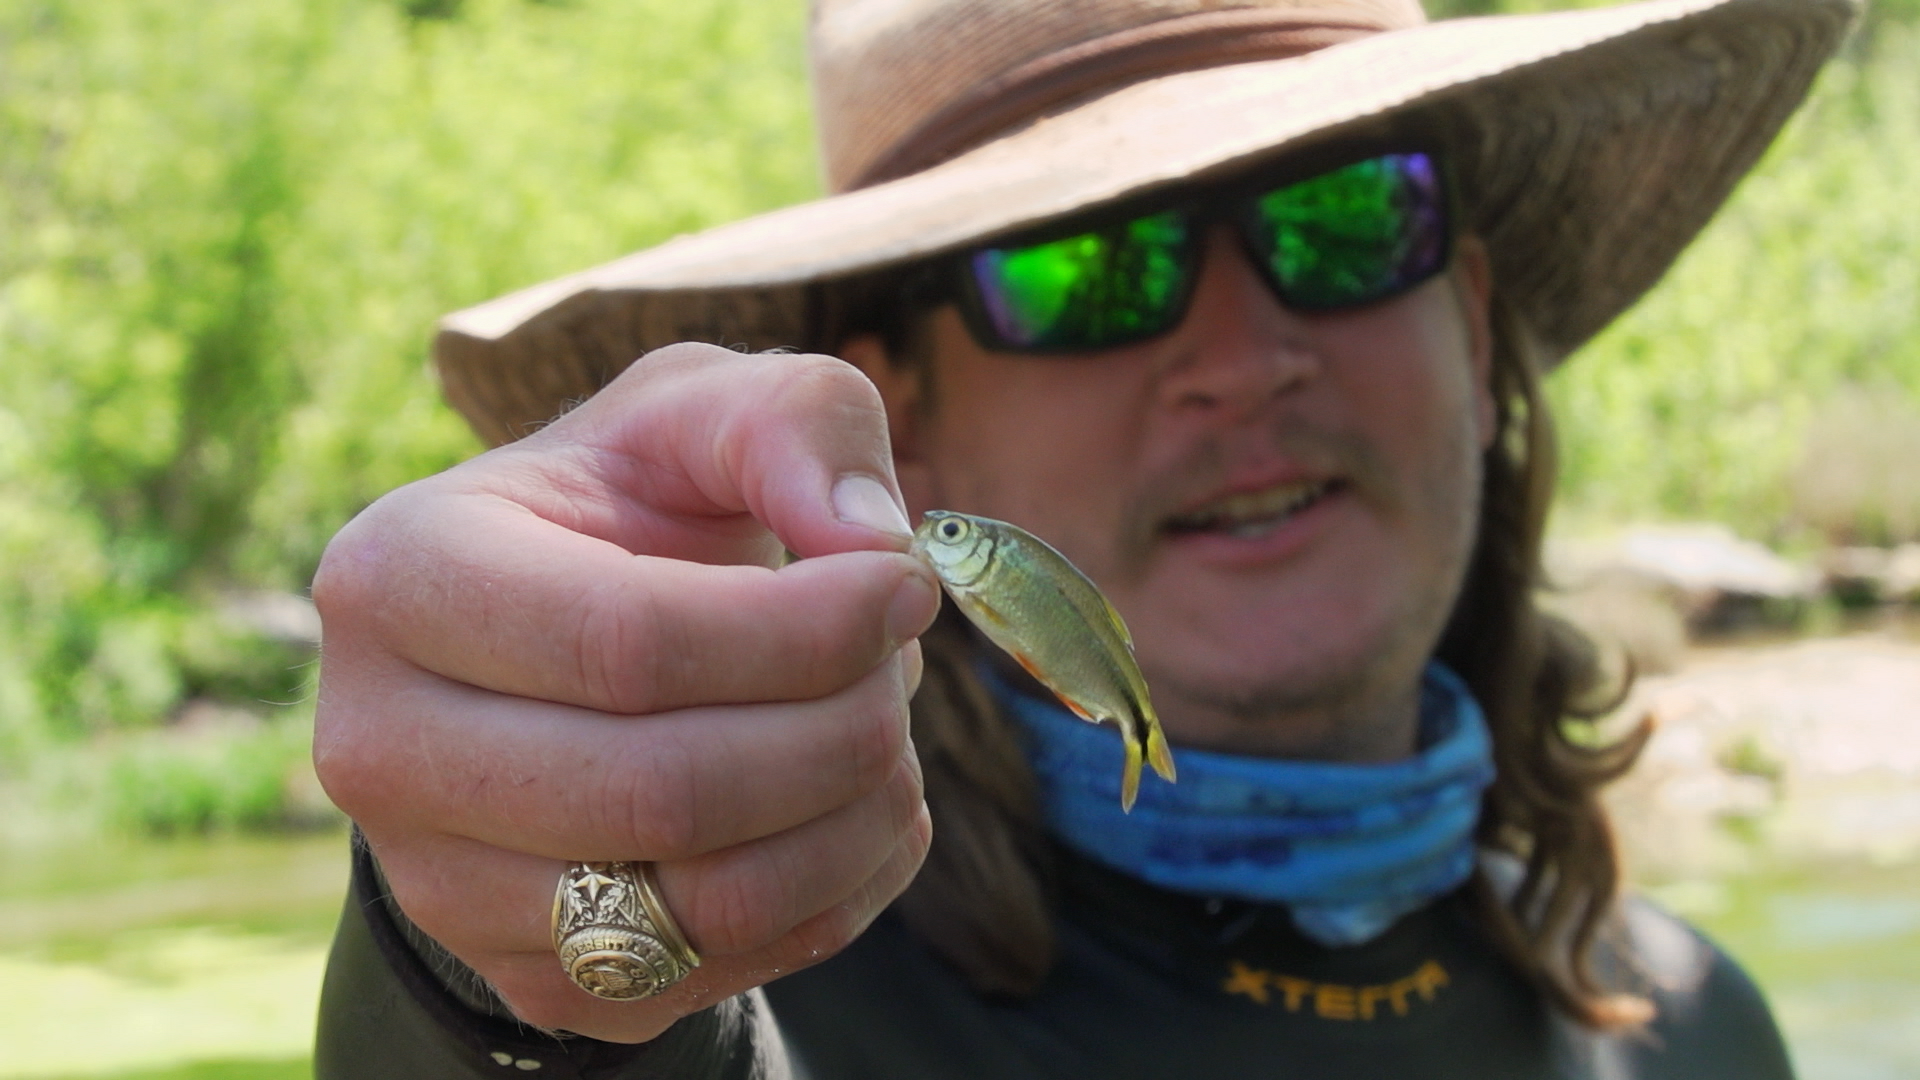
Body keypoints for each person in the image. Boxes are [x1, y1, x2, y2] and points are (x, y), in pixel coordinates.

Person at [308, 0, 1856, 1076]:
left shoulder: (1699, 1026)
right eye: (1088, 267)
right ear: (894, 421)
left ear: (1468, 316)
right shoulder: (778, 1001)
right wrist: (500, 951)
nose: (1244, 357)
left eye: (1347, 217)